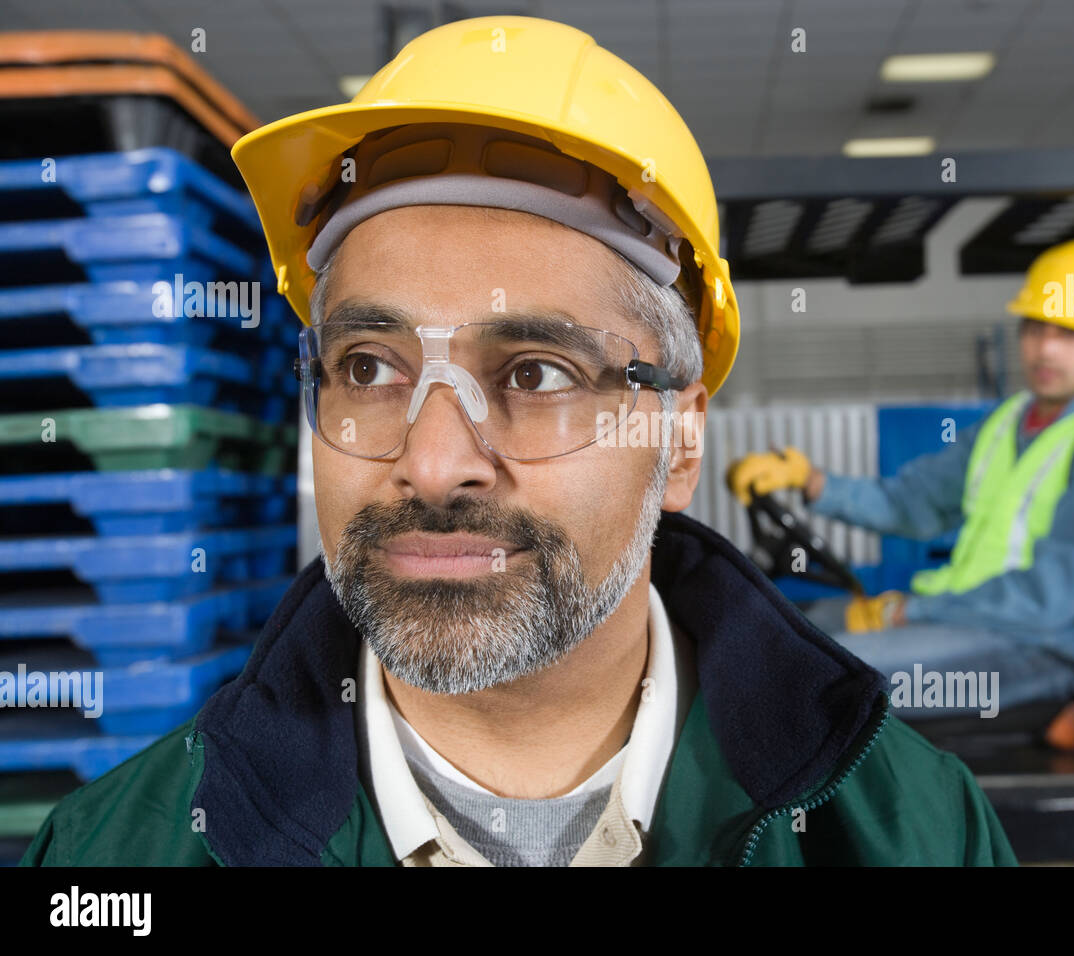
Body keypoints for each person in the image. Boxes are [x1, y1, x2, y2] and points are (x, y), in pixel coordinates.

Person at [21, 15, 1013, 867]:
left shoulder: (910, 831)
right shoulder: (120, 852)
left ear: (677, 440)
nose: (434, 460)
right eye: (369, 366)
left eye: (537, 371)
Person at [728, 239, 1074, 733]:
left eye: (1070, 333)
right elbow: (910, 505)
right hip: (967, 623)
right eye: (1034, 327)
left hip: (1047, 649)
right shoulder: (1006, 423)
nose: (1045, 347)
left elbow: (1050, 601)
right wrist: (812, 483)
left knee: (816, 676)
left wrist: (912, 610)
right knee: (773, 632)